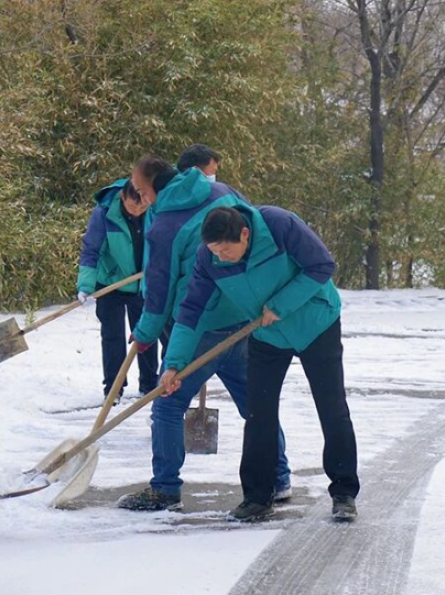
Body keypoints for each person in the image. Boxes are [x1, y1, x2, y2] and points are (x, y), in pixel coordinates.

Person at [163, 205, 359, 523]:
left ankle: (344, 492)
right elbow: (191, 310)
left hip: (316, 323)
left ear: (244, 234)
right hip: (267, 335)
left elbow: (322, 265)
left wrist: (280, 304)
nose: (221, 257)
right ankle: (257, 497)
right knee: (258, 414)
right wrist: (174, 364)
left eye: (226, 250)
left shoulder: (280, 226)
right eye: (215, 251)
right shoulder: (207, 258)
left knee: (331, 408)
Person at [116, 156, 290, 512]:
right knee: (257, 406)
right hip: (244, 317)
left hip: (201, 326)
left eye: (141, 190)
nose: (140, 197)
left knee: (166, 404)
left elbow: (161, 290)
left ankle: (164, 489)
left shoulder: (165, 226)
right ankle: (279, 477)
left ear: (155, 188)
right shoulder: (222, 191)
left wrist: (147, 331)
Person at [77, 179, 159, 398]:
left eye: (143, 206)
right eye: (134, 206)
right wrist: (85, 285)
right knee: (112, 336)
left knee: (146, 335)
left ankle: (149, 385)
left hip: (143, 283)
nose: (138, 211)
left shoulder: (155, 210)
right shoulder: (104, 213)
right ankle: (113, 389)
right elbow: (91, 250)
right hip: (111, 283)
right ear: (123, 197)